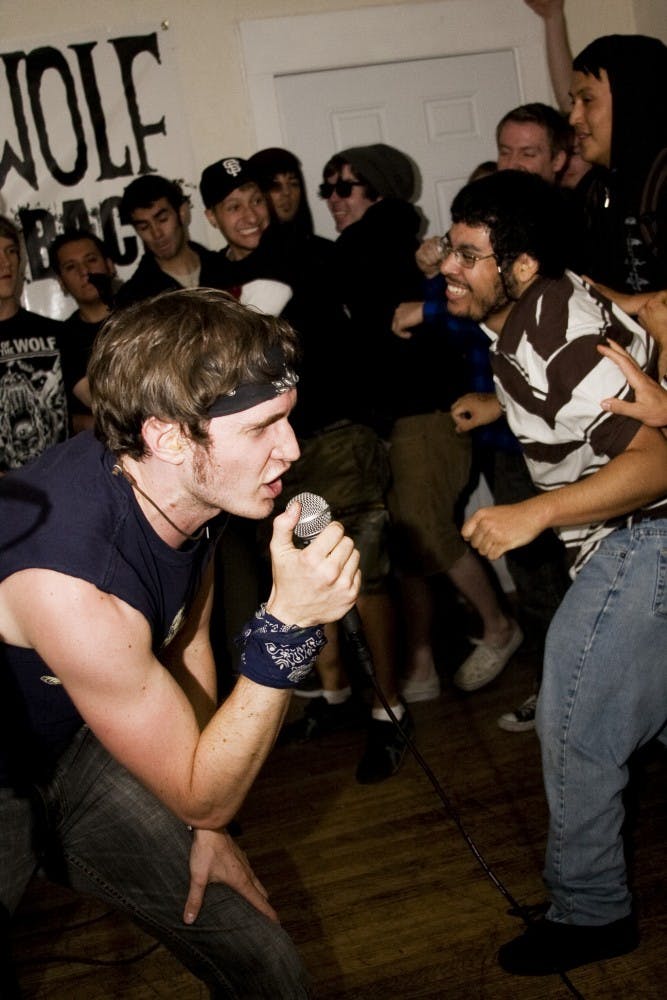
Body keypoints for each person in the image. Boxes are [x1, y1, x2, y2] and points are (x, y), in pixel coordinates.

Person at [0, 287, 361, 996]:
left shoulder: (187, 487)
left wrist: (206, 822)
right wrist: (285, 633)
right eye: (262, 428)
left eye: (287, 419)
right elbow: (206, 797)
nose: (289, 448)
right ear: (168, 436)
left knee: (265, 961)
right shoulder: (72, 579)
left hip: (75, 744)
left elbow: (186, 632)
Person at [445, 170, 667, 975]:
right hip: (639, 540)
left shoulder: (549, 332)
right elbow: (576, 391)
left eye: (468, 255)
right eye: (450, 246)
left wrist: (532, 513)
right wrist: (499, 407)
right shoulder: (539, 308)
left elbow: (655, 465)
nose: (447, 265)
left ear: (520, 265)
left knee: (572, 724)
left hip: (641, 536)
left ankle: (591, 915)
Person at [570, 34, 667, 293]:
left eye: (587, 100)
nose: (574, 117)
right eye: (573, 102)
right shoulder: (593, 191)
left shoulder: (660, 183)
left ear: (632, 99)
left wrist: (629, 305)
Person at [0, 216, 68, 473]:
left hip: (60, 488)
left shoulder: (55, 333)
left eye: (11, 251)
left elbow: (102, 402)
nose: (5, 262)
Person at [116, 175, 224, 307]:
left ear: (182, 213)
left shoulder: (224, 267)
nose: (156, 233)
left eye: (162, 219)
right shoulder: (134, 298)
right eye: (144, 227)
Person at [49, 229, 116, 433]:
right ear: (61, 283)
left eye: (91, 260)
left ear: (110, 265)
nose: (84, 271)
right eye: (71, 267)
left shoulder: (142, 317)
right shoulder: (63, 339)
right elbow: (101, 404)